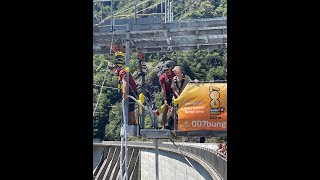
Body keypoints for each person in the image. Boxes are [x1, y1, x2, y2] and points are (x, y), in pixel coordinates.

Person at [159, 61, 175, 129]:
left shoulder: (174, 75)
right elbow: (163, 89)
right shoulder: (162, 77)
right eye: (165, 70)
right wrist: (165, 99)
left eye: (167, 70)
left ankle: (172, 123)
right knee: (164, 109)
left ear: (170, 68)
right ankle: (163, 125)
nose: (166, 71)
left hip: (174, 93)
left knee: (174, 108)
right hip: (167, 93)